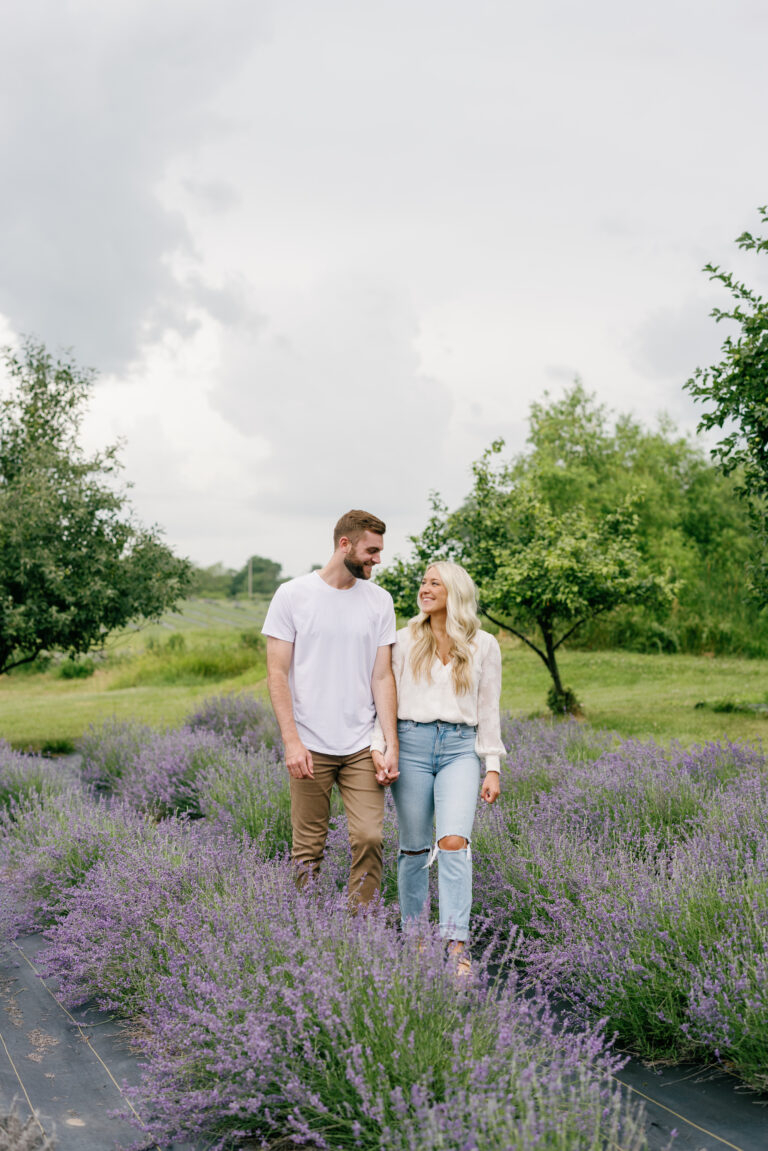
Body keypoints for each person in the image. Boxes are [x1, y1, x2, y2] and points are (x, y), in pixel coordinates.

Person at [370, 561, 504, 970]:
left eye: (435, 583)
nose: (425, 589)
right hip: (410, 744)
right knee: (413, 849)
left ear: (455, 592)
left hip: (460, 749)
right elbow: (384, 699)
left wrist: (493, 765)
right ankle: (415, 938)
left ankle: (456, 945)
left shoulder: (484, 645)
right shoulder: (402, 640)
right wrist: (381, 746)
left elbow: (488, 708)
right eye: (423, 582)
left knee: (453, 843)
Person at [262, 510, 399, 906]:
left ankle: (360, 931)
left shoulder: (379, 601)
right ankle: (307, 932)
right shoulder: (292, 596)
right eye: (371, 550)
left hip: (360, 746)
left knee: (370, 838)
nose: (377, 559)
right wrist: (292, 742)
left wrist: (390, 743)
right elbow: (276, 673)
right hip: (309, 745)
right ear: (345, 545)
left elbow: (382, 677)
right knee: (307, 849)